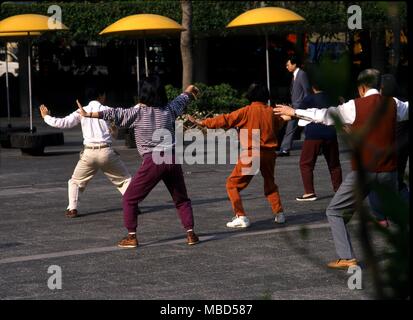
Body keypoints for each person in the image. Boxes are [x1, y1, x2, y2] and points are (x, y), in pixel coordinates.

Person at [274, 69, 409, 269]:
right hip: (389, 172)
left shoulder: (355, 105)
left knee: (335, 211)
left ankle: (346, 256)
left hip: (365, 173)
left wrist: (293, 112)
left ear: (361, 88)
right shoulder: (394, 104)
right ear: (380, 86)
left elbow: (324, 115)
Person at [77, 75, 200, 248]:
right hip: (172, 158)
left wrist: (88, 114)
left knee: (129, 199)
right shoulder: (169, 109)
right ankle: (190, 234)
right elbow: (181, 99)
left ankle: (132, 236)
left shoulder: (137, 113)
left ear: (143, 93)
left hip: (153, 161)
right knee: (181, 199)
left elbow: (114, 113)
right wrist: (188, 90)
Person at [188, 82, 289, 228]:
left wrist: (203, 122)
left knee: (232, 184)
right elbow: (280, 122)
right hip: (269, 154)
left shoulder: (246, 111)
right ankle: (279, 213)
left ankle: (240, 215)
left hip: (252, 153)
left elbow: (225, 119)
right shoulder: (270, 112)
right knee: (270, 183)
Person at [39, 86, 131, 218]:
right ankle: (133, 205)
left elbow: (63, 123)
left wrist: (46, 117)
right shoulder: (108, 110)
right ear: (101, 96)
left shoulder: (81, 111)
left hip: (89, 153)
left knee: (75, 181)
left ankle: (72, 208)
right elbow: (116, 131)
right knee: (124, 179)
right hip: (106, 151)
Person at [296, 80, 342, 201]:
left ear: (312, 87)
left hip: (313, 134)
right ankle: (339, 189)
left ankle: (309, 192)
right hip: (331, 133)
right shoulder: (333, 98)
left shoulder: (309, 99)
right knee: (334, 164)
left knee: (306, 163)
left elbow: (299, 113)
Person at [277, 55, 311, 157]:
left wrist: (306, 106)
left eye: (288, 65)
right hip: (295, 106)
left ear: (294, 64)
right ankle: (285, 149)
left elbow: (306, 91)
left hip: (300, 107)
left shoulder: (302, 74)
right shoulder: (295, 75)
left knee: (304, 128)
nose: (286, 67)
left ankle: (285, 149)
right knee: (293, 127)